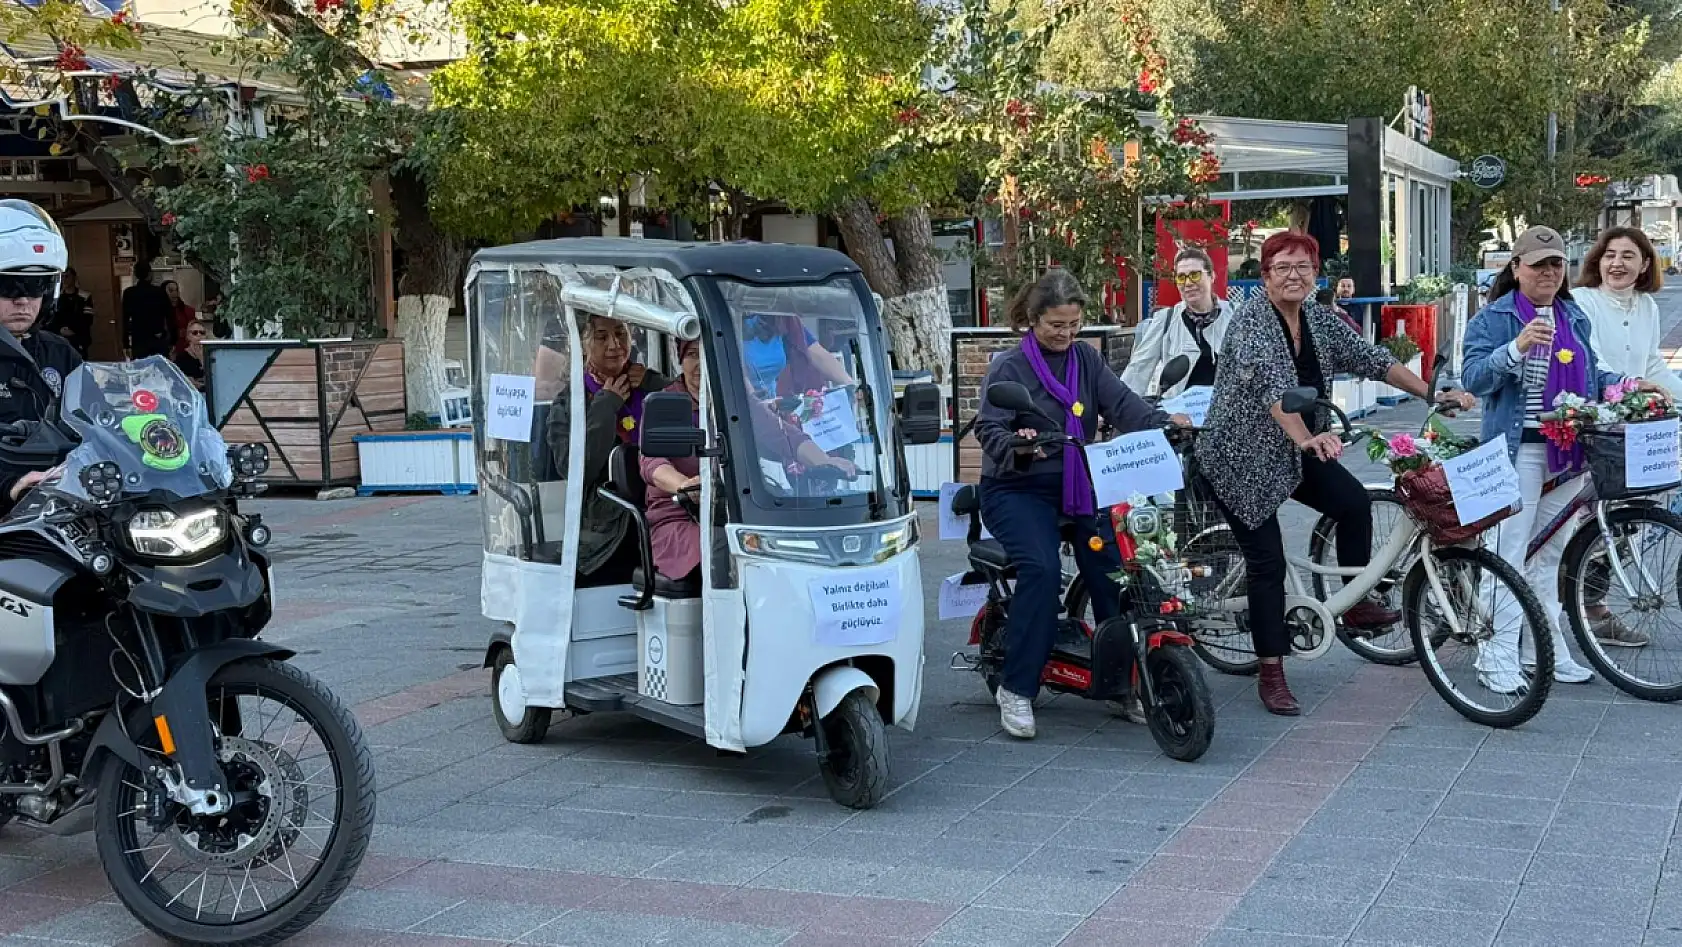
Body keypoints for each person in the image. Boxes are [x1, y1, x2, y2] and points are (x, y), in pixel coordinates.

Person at [1198, 233, 1473, 715]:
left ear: (1316, 273)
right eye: (1282, 267)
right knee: (1268, 563)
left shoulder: (1320, 321)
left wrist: (1431, 394)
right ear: (1264, 276)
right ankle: (1272, 671)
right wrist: (1306, 437)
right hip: (1241, 457)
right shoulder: (1250, 325)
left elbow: (1375, 361)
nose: (1293, 276)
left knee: (1354, 502)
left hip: (1298, 448)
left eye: (1303, 267)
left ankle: (1357, 603)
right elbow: (1276, 391)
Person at [974, 270, 1189, 739]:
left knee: (1116, 568)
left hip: (1078, 486)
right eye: (1056, 325)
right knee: (1041, 569)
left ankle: (1120, 683)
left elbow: (1122, 404)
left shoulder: (1086, 361)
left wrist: (1161, 422)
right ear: (1032, 320)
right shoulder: (1008, 368)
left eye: (1073, 325)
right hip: (1017, 489)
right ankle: (1016, 686)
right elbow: (989, 431)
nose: (1066, 334)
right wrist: (1019, 444)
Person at [1462, 225, 1666, 692]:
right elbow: (1473, 379)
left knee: (1549, 553)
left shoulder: (1573, 316)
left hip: (1569, 451)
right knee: (1507, 552)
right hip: (1520, 451)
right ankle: (1495, 657)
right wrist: (1516, 349)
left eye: (1556, 264)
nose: (1548, 273)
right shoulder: (1493, 318)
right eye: (1537, 265)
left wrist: (1630, 387)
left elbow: (1593, 373)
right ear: (1517, 269)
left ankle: (1540, 651)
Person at [641, 339, 855, 584]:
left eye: (709, 353)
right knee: (722, 543)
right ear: (680, 360)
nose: (701, 363)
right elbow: (653, 464)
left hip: (738, 511)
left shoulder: (736, 400)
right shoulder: (665, 402)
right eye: (691, 354)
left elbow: (784, 436)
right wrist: (686, 485)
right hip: (680, 516)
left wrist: (825, 461)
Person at [1573, 226, 1682, 649]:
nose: (1617, 264)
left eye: (1628, 256)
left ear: (1645, 265)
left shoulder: (1647, 307)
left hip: (1630, 430)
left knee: (1627, 518)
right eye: (1610, 255)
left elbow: (1652, 363)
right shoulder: (1583, 302)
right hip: (1591, 425)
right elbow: (1592, 363)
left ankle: (1592, 603)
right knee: (1582, 517)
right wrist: (1631, 390)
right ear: (1597, 261)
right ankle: (1568, 602)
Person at [546, 314, 669, 582]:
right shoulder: (571, 403)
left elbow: (690, 421)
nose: (614, 345)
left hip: (662, 511)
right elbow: (577, 470)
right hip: (607, 528)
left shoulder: (649, 386)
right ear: (584, 345)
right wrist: (606, 405)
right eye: (602, 337)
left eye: (621, 334)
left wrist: (658, 384)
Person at [0, 201, 81, 514]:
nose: (22, 300)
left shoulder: (57, 351)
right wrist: (10, 484)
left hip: (62, 499)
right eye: (8, 286)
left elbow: (98, 418)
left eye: (35, 286)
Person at [1121, 247, 1234, 397]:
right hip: (1179, 416)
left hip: (1226, 415)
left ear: (1212, 276)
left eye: (1195, 275)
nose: (1188, 283)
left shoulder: (1236, 316)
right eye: (1181, 277)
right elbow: (1138, 370)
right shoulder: (1165, 320)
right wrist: (1115, 407)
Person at [741, 312, 852, 399]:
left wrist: (851, 385)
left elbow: (819, 355)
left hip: (771, 406)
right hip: (741, 405)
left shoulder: (780, 318)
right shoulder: (729, 319)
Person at [123, 261, 175, 359]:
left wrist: (125, 343)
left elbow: (125, 319)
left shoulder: (129, 293)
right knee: (159, 369)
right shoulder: (159, 292)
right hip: (157, 337)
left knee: (141, 370)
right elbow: (169, 316)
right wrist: (172, 340)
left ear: (135, 274)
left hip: (138, 338)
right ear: (150, 274)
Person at [43, 267, 92, 358]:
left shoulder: (84, 296)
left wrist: (73, 330)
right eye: (62, 277)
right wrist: (60, 329)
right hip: (60, 338)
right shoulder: (56, 297)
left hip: (79, 338)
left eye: (67, 276)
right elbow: (51, 318)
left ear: (74, 277)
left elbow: (88, 319)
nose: (64, 280)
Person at [174, 319, 210, 389]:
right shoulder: (181, 357)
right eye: (195, 332)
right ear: (188, 336)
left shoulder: (211, 355)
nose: (199, 335)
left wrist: (202, 359)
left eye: (202, 332)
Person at [163, 280, 197, 353]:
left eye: (176, 290)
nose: (175, 293)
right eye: (171, 290)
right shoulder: (159, 312)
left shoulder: (188, 310)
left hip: (185, 350)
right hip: (165, 350)